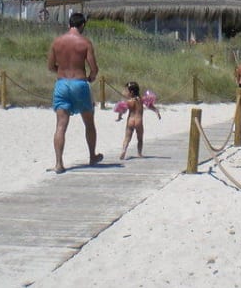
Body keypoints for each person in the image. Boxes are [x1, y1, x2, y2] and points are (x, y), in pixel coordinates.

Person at [47, 12, 102, 174]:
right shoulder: (85, 42)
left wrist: (62, 71)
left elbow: (50, 66)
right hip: (79, 83)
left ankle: (59, 163)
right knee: (89, 123)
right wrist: (91, 77)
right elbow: (94, 68)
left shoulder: (57, 42)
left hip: (62, 84)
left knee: (60, 126)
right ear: (82, 25)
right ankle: (92, 156)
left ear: (69, 24)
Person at [114, 81, 161, 160]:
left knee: (127, 138)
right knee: (140, 139)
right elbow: (150, 106)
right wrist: (156, 111)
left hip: (130, 120)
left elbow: (122, 109)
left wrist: (119, 117)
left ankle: (124, 150)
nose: (125, 92)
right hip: (139, 121)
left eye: (126, 91)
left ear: (131, 92)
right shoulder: (141, 100)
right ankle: (139, 153)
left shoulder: (129, 101)